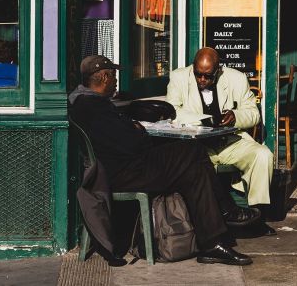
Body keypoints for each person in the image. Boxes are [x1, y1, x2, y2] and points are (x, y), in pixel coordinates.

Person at [68, 54, 256, 266]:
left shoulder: (87, 102)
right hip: (124, 173)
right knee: (193, 151)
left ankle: (212, 242)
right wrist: (136, 130)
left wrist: (133, 128)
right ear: (103, 77)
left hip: (124, 167)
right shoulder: (94, 107)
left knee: (194, 170)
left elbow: (120, 139)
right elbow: (129, 144)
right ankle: (225, 212)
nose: (116, 81)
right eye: (113, 76)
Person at [166, 48, 273, 212]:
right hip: (196, 147)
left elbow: (253, 114)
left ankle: (258, 213)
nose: (202, 79)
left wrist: (235, 116)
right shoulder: (179, 77)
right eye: (197, 74)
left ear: (218, 70)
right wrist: (204, 120)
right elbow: (172, 111)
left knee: (263, 155)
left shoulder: (236, 78)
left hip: (228, 142)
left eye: (208, 76)